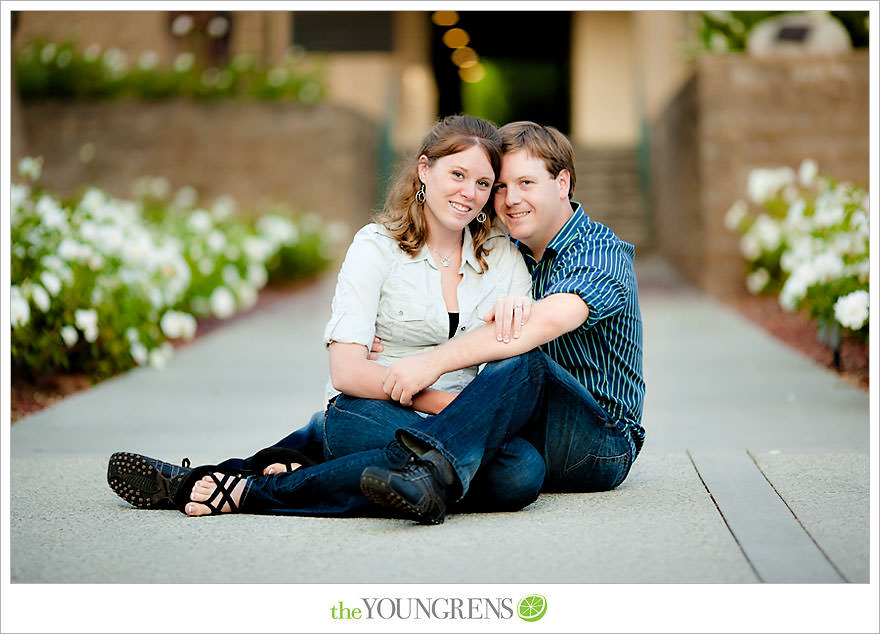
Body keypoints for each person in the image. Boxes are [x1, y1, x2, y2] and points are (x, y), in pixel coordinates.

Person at [107, 114, 542, 517]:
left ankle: (246, 483)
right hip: (371, 411)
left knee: (520, 472)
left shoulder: (502, 258)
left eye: (484, 183)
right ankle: (290, 468)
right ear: (425, 170)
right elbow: (348, 372)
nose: (470, 193)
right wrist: (459, 415)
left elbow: (510, 367)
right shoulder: (376, 247)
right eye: (458, 174)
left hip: (438, 425)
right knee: (499, 466)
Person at [358, 120, 645, 523]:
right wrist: (390, 340)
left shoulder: (601, 252)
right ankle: (281, 471)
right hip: (526, 428)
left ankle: (433, 469)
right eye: (501, 188)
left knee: (521, 357)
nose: (510, 200)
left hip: (599, 443)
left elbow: (537, 328)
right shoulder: (511, 253)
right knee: (352, 423)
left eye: (526, 183)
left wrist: (430, 362)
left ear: (562, 183)